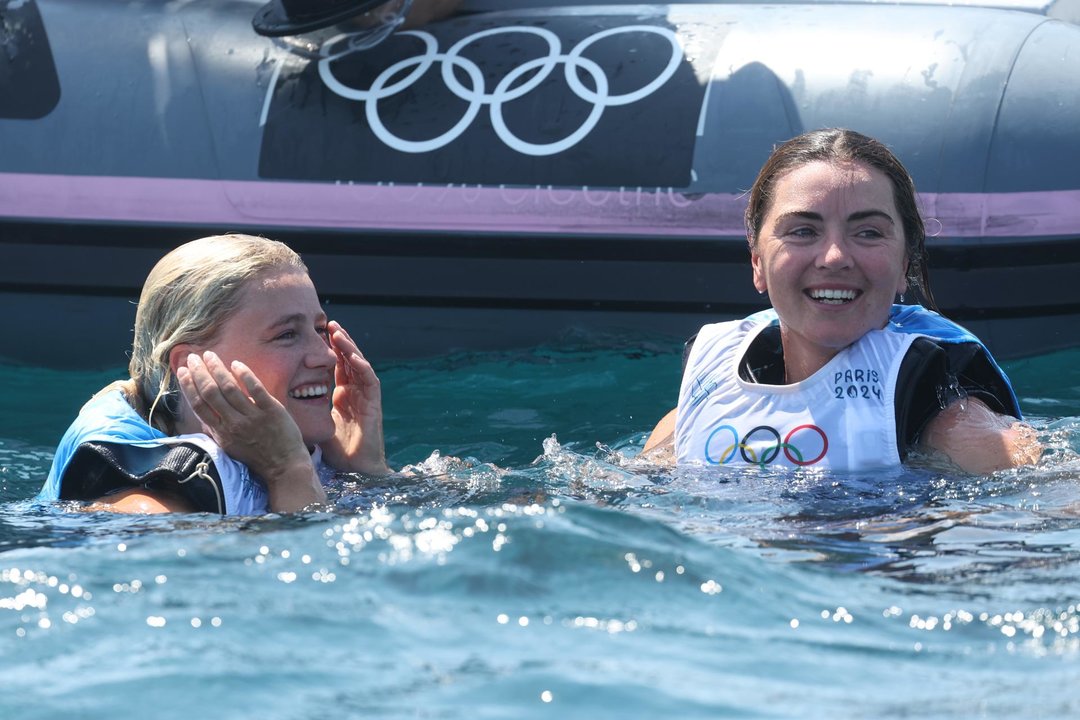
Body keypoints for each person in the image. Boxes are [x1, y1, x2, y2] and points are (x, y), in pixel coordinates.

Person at [644, 128, 1041, 474]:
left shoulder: (953, 427)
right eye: (802, 231)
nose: (834, 257)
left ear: (905, 264)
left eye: (868, 233)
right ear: (757, 262)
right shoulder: (702, 406)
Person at [39, 234, 391, 515]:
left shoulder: (310, 456)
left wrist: (368, 472)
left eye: (319, 329)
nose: (326, 356)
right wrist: (288, 473)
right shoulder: (145, 513)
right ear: (192, 364)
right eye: (286, 335)